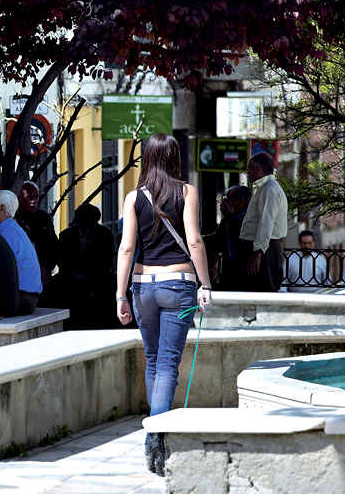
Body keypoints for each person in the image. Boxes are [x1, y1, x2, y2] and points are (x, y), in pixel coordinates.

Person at [115, 133, 212, 477]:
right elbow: (195, 240)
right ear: (174, 159)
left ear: (147, 159)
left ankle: (153, 432)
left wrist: (120, 295)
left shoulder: (132, 197)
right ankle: (156, 436)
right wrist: (205, 283)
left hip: (143, 287)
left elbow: (126, 249)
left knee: (154, 361)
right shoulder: (186, 192)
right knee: (169, 363)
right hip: (179, 285)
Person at [55, 204, 116, 329]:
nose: (87, 230)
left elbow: (107, 262)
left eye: (91, 226)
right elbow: (62, 262)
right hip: (73, 276)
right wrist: (79, 251)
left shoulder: (105, 234)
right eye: (84, 227)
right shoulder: (67, 236)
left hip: (97, 276)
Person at [239, 152, 289, 292]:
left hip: (266, 250)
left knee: (265, 291)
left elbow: (266, 223)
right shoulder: (265, 188)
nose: (247, 172)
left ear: (258, 169)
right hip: (262, 248)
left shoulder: (270, 189)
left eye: (249, 168)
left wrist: (257, 253)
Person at [0, 190, 41, 315]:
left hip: (22, 298)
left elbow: (1, 271)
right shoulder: (10, 229)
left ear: (2, 208)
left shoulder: (7, 235)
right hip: (24, 296)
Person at [202, 185, 252, 290]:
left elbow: (240, 240)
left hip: (245, 274)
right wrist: (195, 240)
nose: (222, 203)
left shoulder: (250, 219)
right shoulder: (227, 220)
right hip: (229, 272)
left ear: (241, 201)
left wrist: (230, 217)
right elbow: (216, 240)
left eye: (226, 199)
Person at [16, 181, 59, 301]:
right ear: (20, 199)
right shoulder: (14, 219)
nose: (34, 201)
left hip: (42, 272)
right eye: (30, 197)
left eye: (36, 197)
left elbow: (52, 245)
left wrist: (45, 266)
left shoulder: (43, 217)